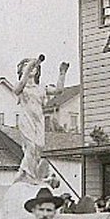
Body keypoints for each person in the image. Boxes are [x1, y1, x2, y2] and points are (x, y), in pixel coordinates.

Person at [13, 56, 69, 184]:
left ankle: (26, 173)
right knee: (31, 146)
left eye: (34, 67)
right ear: (21, 70)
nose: (32, 68)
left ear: (38, 70)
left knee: (39, 146)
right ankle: (26, 174)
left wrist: (62, 73)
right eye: (26, 65)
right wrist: (30, 66)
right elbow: (19, 86)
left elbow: (59, 91)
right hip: (26, 118)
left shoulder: (41, 87)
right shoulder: (20, 86)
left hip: (38, 119)